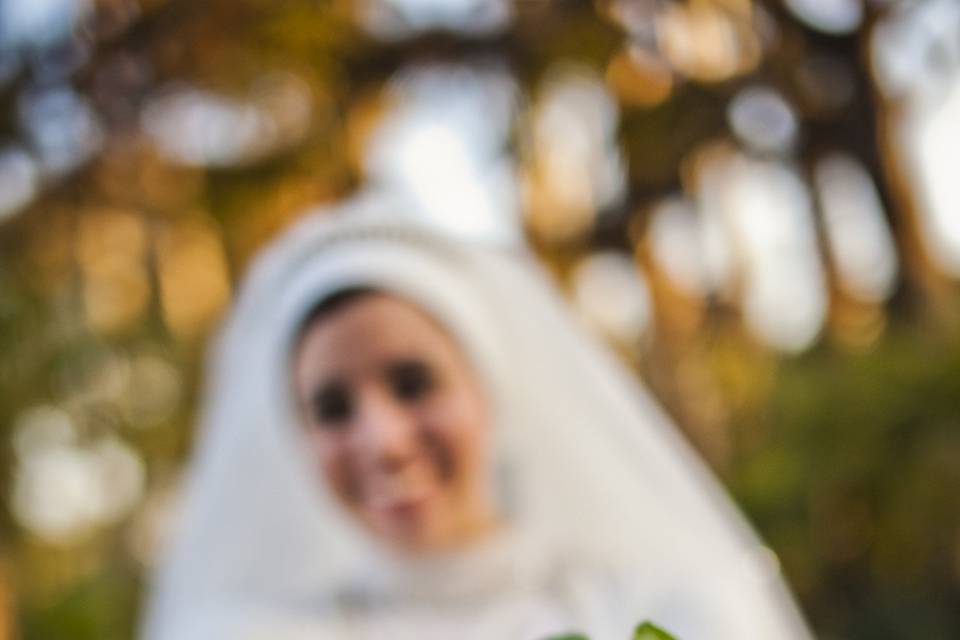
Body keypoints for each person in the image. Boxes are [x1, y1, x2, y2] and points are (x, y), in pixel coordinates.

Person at [142, 191, 812, 639]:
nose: (382, 440)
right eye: (332, 407)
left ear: (485, 386)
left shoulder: (669, 609)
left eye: (412, 383)